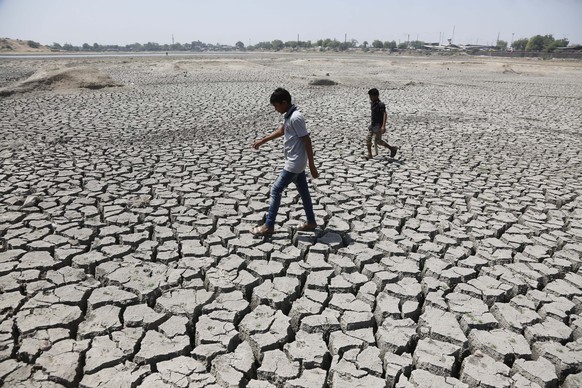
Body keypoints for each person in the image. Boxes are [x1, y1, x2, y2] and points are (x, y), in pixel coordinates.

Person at [250, 88, 319, 236]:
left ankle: (269, 225)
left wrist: (312, 166)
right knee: (304, 192)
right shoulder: (289, 116)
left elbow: (307, 140)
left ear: (284, 102)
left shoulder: (296, 117)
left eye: (276, 106)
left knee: (276, 190)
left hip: (294, 164)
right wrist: (263, 140)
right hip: (296, 163)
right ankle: (311, 221)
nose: (275, 109)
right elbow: (282, 130)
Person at [365, 88, 397, 160]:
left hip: (378, 126)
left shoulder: (380, 104)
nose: (370, 98)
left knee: (378, 141)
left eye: (371, 96)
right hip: (373, 125)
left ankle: (392, 148)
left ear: (376, 96)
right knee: (368, 139)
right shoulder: (372, 103)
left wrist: (383, 126)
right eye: (370, 96)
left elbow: (385, 114)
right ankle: (370, 154)